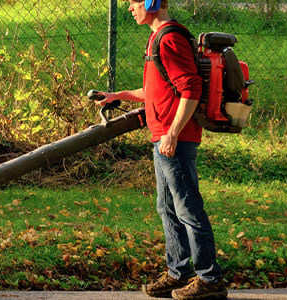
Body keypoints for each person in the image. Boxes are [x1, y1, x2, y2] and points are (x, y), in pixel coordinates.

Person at [95, 0, 227, 299]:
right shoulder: (157, 38)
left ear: (153, 2)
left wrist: (172, 133)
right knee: (167, 208)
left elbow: (190, 87)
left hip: (174, 139)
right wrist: (119, 95)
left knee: (187, 208)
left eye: (134, 2)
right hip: (164, 137)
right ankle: (178, 273)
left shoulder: (169, 38)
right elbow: (156, 90)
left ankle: (210, 278)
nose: (130, 8)